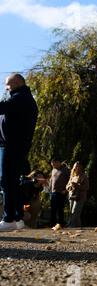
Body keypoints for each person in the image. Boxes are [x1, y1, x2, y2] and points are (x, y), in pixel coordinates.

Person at [0, 74, 38, 232]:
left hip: (12, 146)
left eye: (8, 85)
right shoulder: (22, 98)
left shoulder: (21, 98)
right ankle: (17, 217)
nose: (6, 88)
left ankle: (9, 219)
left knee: (7, 181)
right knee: (12, 182)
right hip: (14, 146)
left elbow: (2, 107)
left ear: (16, 83)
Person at [66, 161, 89, 228]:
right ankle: (78, 227)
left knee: (75, 211)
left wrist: (77, 185)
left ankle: (71, 226)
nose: (77, 167)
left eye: (78, 166)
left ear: (81, 167)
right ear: (74, 167)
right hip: (71, 196)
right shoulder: (72, 176)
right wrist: (70, 187)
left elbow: (87, 187)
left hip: (80, 196)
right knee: (72, 212)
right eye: (76, 166)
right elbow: (67, 186)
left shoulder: (84, 176)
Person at [49, 158, 70, 228]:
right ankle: (53, 224)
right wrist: (50, 189)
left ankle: (61, 223)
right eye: (52, 165)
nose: (53, 166)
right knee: (53, 209)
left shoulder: (66, 170)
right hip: (53, 192)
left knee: (60, 209)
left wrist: (66, 190)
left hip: (61, 192)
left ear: (58, 162)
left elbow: (70, 180)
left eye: (54, 164)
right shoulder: (53, 170)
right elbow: (52, 180)